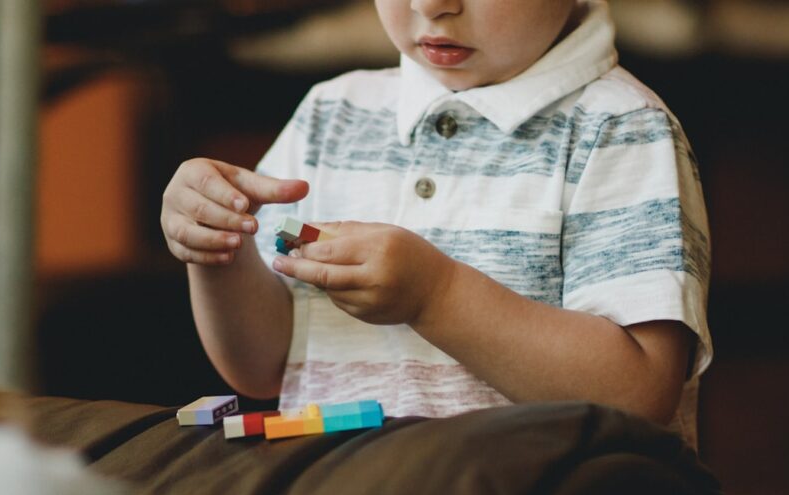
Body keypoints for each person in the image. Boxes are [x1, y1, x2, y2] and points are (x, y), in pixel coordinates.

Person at [160, 0, 711, 447]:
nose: (431, 6)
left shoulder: (621, 129)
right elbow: (264, 367)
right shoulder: (332, 113)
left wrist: (437, 296)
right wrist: (218, 250)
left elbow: (639, 394)